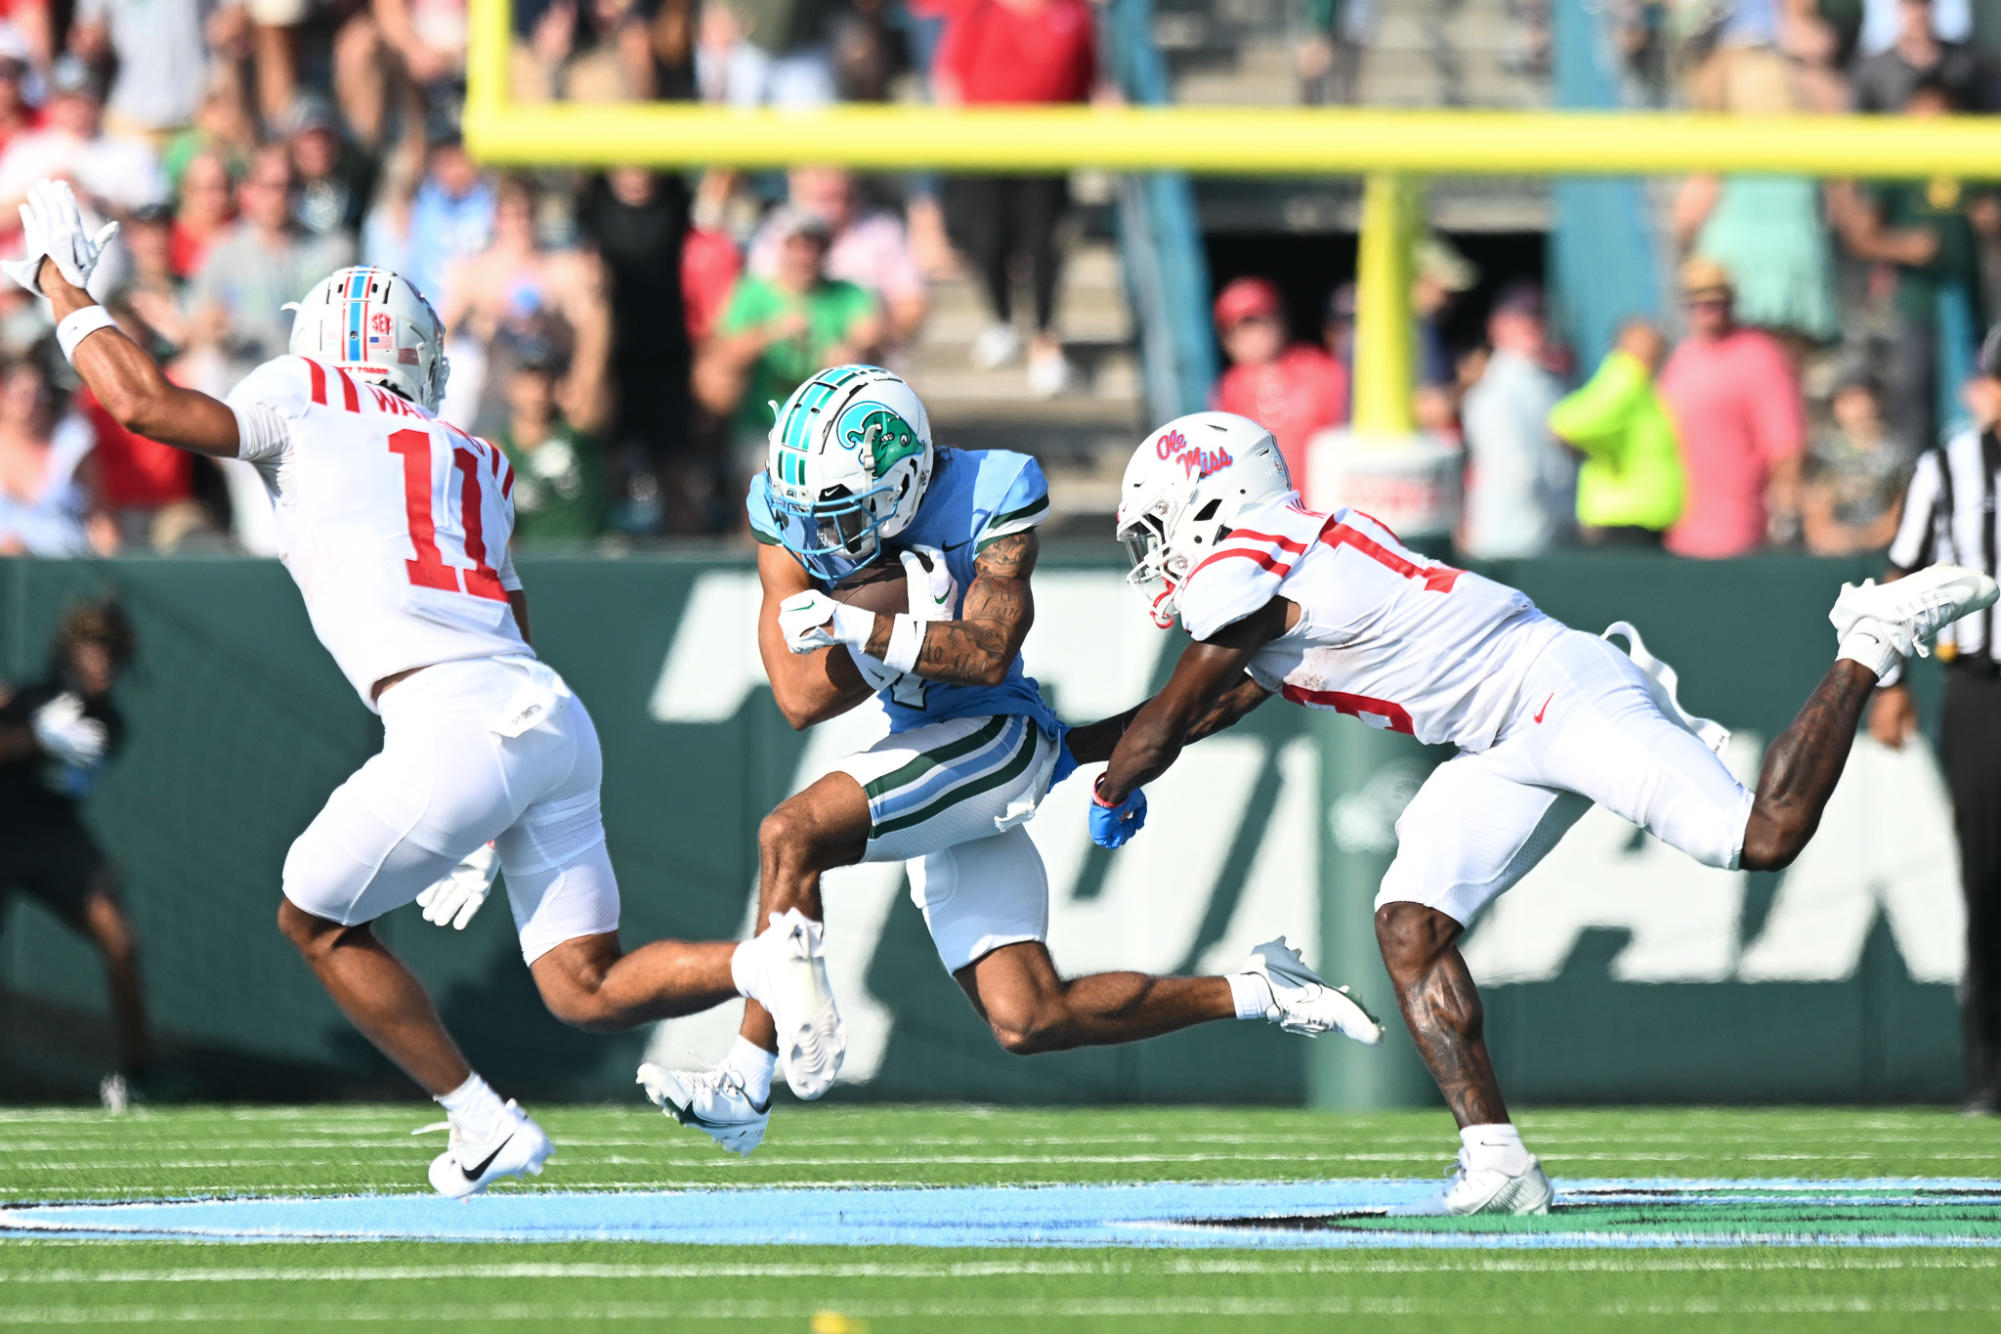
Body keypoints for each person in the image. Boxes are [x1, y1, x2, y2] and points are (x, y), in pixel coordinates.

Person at [13, 178, 840, 1196]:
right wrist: (491, 821)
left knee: (312, 918)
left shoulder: (305, 391)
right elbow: (515, 619)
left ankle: (482, 1120)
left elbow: (141, 403)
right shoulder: (476, 456)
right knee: (584, 987)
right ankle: (760, 961)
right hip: (544, 713)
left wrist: (59, 286)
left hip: (452, 718)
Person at [1077, 409, 1996, 1213]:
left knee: (1758, 837)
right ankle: (1497, 1162)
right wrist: (1061, 745)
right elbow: (1197, 709)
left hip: (1552, 691)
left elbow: (1167, 718)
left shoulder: (1246, 560)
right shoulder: (1281, 559)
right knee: (1409, 926)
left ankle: (1868, 642)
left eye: (1155, 528)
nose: (1152, 554)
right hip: (1500, 736)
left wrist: (1113, 784)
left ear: (1206, 500)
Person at [631, 365, 1382, 1156]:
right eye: (809, 516)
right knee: (1029, 1017)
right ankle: (1263, 989)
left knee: (791, 834)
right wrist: (882, 626)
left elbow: (989, 656)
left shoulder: (993, 491)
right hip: (932, 748)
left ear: (906, 481)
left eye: (843, 514)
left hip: (995, 740)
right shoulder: (784, 504)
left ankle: (746, 1078)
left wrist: (870, 627)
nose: (818, 538)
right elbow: (796, 697)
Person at [1869, 325, 2001, 1114]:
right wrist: (1889, 685)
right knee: (1985, 874)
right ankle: (1989, 1070)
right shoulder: (1944, 470)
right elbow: (1900, 578)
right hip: (1981, 689)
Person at [0, 600, 148, 1111]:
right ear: (69, 651)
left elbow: (77, 767)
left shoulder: (109, 722)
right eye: (91, 647)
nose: (101, 660)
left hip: (54, 836)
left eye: (111, 649)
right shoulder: (27, 696)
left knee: (121, 941)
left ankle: (138, 1075)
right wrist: (35, 735)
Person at [935, 0, 1099, 397]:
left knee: (1042, 244)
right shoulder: (980, 13)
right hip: (983, 148)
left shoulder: (1073, 15)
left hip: (1046, 149)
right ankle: (1003, 321)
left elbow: (1087, 80)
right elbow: (949, 76)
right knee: (987, 241)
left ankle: (1045, 339)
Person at [697, 207, 881, 463]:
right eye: (795, 246)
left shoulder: (847, 294)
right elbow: (721, 354)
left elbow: (869, 333)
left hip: (829, 424)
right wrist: (772, 332)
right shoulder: (753, 292)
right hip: (765, 420)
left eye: (812, 247)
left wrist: (848, 354)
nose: (804, 256)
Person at [1656, 257, 1805, 556]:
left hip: (1741, 534)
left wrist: (1786, 518)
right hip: (1678, 534)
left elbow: (1786, 448)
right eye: (1696, 302)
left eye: (1716, 301)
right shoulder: (1681, 359)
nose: (1707, 310)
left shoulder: (1760, 356)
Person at [746, 167, 929, 353]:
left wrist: (869, 340)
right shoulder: (775, 231)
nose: (805, 256)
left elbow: (910, 307)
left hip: (868, 365)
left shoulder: (880, 234)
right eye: (820, 174)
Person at [1547, 319, 1685, 546]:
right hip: (1622, 527)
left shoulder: (1640, 383)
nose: (1658, 346)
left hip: (1642, 525)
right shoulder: (1624, 378)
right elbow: (1564, 424)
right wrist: (1585, 450)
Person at [1459, 283, 1573, 559]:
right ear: (1495, 325)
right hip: (1508, 539)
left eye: (1536, 317)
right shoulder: (1493, 391)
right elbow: (1517, 472)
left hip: (1550, 537)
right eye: (1519, 317)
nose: (1531, 324)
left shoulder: (1552, 384)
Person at [1209, 276, 1347, 487]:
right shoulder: (1228, 388)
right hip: (1261, 506)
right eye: (1241, 326)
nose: (1253, 335)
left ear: (1280, 320)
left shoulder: (1320, 369)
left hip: (1320, 502)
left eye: (1259, 321)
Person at [495, 335, 609, 544]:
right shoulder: (498, 451)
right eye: (529, 380)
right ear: (510, 386)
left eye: (547, 379)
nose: (539, 390)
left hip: (591, 561)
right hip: (537, 568)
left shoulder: (578, 432)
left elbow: (595, 368)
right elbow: (499, 530)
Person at [1802, 368, 1913, 556]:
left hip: (1884, 556)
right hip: (1831, 557)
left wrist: (1866, 539)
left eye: (1864, 397)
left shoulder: (1897, 453)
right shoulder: (1824, 453)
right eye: (1849, 400)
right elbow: (1816, 523)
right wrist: (1843, 541)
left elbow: (1898, 519)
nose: (1861, 407)